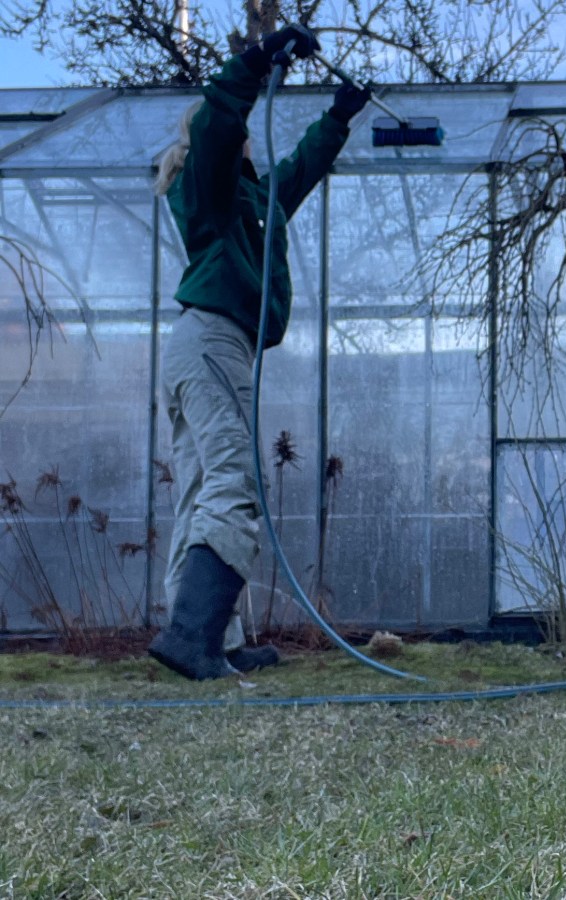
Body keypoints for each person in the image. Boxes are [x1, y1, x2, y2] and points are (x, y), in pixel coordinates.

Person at [149, 25, 371, 680]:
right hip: (214, 338)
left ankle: (215, 640)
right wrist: (255, 59)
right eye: (239, 128)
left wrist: (339, 115)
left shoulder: (251, 197)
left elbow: (298, 172)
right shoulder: (208, 183)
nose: (247, 133)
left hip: (210, 344)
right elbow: (219, 120)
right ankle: (192, 639)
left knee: (201, 489)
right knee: (234, 481)